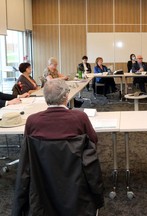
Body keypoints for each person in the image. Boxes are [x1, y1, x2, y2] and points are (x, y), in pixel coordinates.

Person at [12, 79, 104, 215]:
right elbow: (93, 142)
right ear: (66, 96)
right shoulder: (80, 117)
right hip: (76, 187)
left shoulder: (32, 121)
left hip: (42, 188)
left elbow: (28, 152)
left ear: (45, 97)